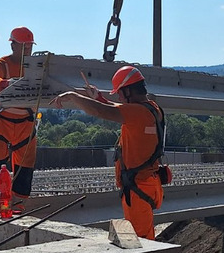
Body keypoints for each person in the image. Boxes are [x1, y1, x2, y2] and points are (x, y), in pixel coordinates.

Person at [50, 65, 166, 240]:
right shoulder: (151, 108)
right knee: (143, 236)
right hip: (145, 183)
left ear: (128, 91)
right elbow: (117, 108)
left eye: (120, 92)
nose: (118, 96)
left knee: (143, 241)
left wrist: (74, 96)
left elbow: (101, 111)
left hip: (138, 187)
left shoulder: (138, 112)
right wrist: (98, 97)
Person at [0, 26, 38, 209]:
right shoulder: (1, 64)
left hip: (26, 123)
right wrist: (4, 83)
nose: (28, 50)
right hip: (1, 121)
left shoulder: (36, 66)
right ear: (13, 45)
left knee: (25, 167)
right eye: (24, 46)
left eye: (30, 47)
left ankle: (19, 205)